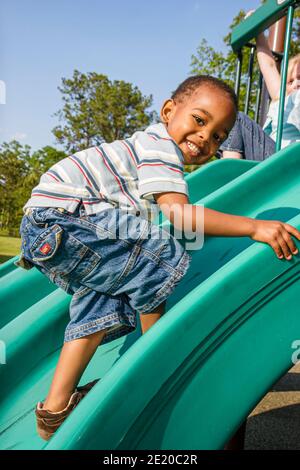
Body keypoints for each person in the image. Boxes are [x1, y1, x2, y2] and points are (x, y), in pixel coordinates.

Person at [17, 75, 300, 441]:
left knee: (103, 296)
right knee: (161, 251)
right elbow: (181, 218)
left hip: (48, 229)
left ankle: (54, 410)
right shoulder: (159, 146)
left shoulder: (144, 160)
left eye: (218, 136)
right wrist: (253, 227)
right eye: (200, 121)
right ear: (169, 111)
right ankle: (159, 358)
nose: (206, 138)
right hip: (66, 217)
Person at [221, 10, 300, 161]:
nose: (296, 84)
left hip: (290, 160)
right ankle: (231, 168)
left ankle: (230, 171)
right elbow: (269, 65)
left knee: (239, 119)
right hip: (270, 157)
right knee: (233, 118)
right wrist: (258, 32)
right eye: (290, 80)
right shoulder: (280, 96)